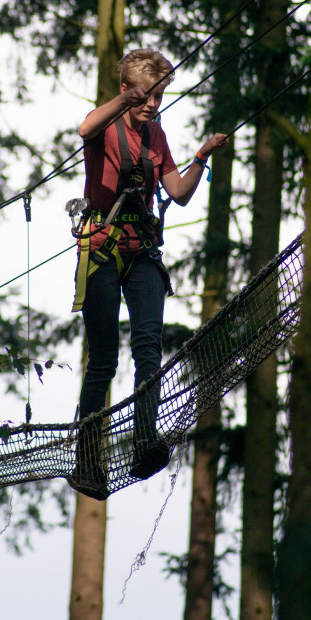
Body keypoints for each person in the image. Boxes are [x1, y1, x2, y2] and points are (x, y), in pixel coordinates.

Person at [67, 49, 228, 499]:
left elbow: (176, 192)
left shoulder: (156, 135)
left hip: (143, 251)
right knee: (102, 359)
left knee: (148, 350)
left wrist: (201, 156)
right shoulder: (105, 127)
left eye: (158, 96)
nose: (153, 104)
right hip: (101, 248)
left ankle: (143, 442)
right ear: (126, 91)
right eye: (146, 96)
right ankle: (87, 458)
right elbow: (85, 127)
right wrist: (125, 100)